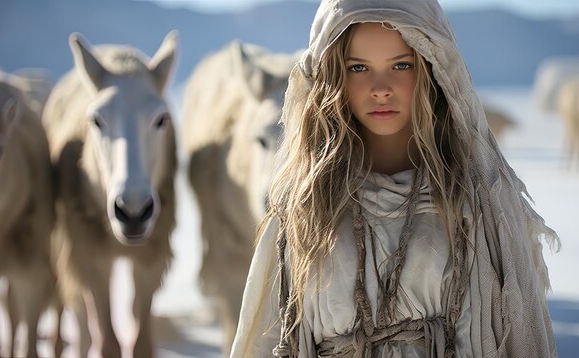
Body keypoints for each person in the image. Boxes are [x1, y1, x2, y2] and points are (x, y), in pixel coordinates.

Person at [231, 0, 560, 357]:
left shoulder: (476, 204)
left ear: (432, 67)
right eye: (359, 67)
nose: (380, 88)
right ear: (333, 76)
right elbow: (267, 339)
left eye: (400, 65)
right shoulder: (303, 207)